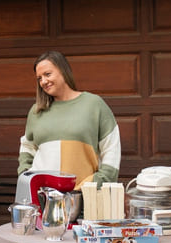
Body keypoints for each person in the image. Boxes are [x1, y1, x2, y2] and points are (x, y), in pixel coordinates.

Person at [17, 51, 121, 187]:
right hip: (43, 198)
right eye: (39, 78)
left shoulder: (94, 104)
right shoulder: (36, 110)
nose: (43, 81)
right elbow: (27, 146)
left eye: (47, 74)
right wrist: (26, 175)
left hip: (84, 196)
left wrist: (98, 182)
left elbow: (111, 147)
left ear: (63, 70)